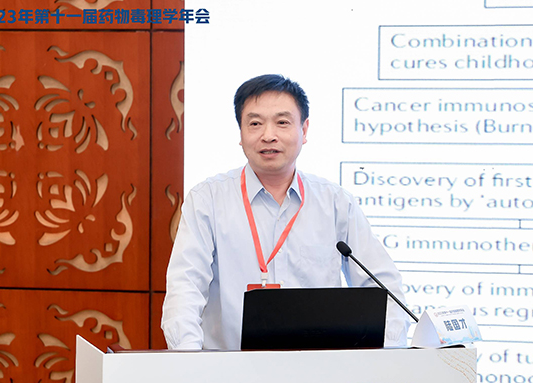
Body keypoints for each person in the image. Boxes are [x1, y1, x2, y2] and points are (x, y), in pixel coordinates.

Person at [161, 74, 409, 350]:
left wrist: (387, 359)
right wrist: (189, 362)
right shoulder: (207, 200)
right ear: (240, 133)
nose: (268, 135)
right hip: (229, 369)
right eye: (255, 123)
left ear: (304, 130)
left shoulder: (336, 203)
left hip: (317, 368)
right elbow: (185, 290)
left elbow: (384, 289)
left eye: (282, 122)